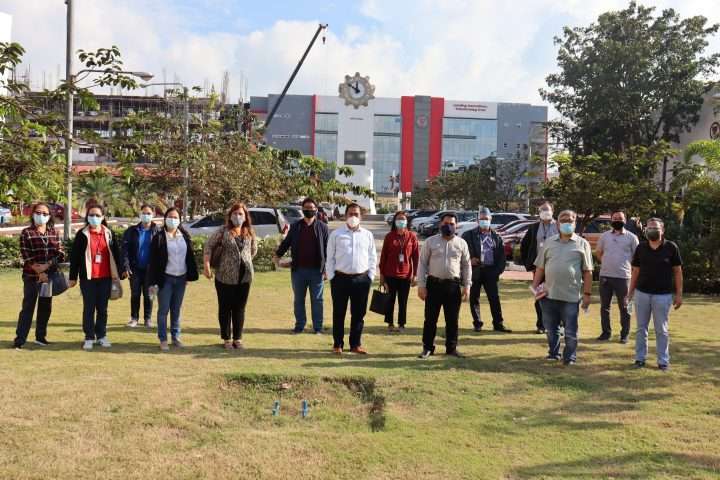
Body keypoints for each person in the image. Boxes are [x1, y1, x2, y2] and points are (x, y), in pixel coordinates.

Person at [531, 210, 593, 365]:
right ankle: (553, 353)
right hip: (548, 295)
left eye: (570, 220)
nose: (567, 222)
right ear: (557, 224)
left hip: (571, 297)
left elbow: (588, 271)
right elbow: (540, 268)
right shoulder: (549, 242)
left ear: (575, 223)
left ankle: (569, 357)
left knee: (571, 332)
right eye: (563, 220)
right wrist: (534, 288)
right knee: (551, 330)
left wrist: (587, 294)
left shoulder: (582, 244)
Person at [627, 218, 683, 371]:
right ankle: (640, 359)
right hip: (642, 293)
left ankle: (663, 361)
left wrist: (679, 294)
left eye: (655, 227)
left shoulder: (671, 247)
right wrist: (630, 292)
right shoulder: (641, 248)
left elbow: (677, 272)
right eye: (649, 227)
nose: (652, 229)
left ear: (662, 230)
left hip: (663, 296)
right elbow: (636, 271)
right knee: (641, 329)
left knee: (661, 330)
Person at [68, 204, 125, 350]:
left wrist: (121, 271)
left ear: (103, 217)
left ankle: (101, 335)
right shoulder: (82, 234)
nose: (94, 218)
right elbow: (74, 257)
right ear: (87, 217)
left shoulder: (109, 233)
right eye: (91, 215)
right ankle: (89, 337)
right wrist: (73, 277)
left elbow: (117, 254)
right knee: (89, 308)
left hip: (105, 278)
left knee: (102, 309)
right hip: (88, 278)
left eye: (97, 215)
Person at [417, 212, 472, 359]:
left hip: (453, 286)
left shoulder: (461, 244)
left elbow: (467, 266)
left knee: (452, 319)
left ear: (456, 226)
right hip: (433, 284)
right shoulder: (430, 242)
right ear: (440, 224)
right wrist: (421, 285)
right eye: (446, 223)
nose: (449, 226)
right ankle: (427, 348)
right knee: (430, 319)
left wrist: (467, 285)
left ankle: (451, 348)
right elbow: (422, 264)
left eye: (452, 224)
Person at [203, 203, 257, 349]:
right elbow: (208, 246)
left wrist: (244, 260)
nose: (237, 216)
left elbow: (253, 250)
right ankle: (227, 339)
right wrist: (207, 265)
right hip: (224, 277)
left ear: (245, 217)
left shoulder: (249, 231)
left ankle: (238, 338)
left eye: (240, 214)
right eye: (235, 214)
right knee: (225, 308)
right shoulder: (223, 231)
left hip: (244, 277)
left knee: (240, 308)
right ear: (230, 215)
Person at [13, 202, 66, 349]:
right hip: (31, 277)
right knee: (28, 307)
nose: (41, 216)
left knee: (45, 307)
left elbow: (61, 254)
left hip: (49, 277)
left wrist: (47, 266)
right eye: (38, 212)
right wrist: (39, 272)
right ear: (33, 213)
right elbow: (26, 255)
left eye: (44, 213)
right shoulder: (27, 232)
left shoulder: (54, 232)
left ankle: (40, 337)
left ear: (49, 216)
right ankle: (20, 339)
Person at [326, 203, 377, 354]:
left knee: (359, 314)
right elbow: (330, 258)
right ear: (345, 215)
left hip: (361, 280)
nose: (353, 217)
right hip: (340, 279)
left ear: (361, 216)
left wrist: (370, 276)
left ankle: (355, 344)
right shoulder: (336, 234)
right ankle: (338, 344)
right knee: (339, 313)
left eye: (356, 214)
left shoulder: (367, 235)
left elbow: (372, 257)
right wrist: (332, 277)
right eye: (350, 214)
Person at [273, 197, 329, 334]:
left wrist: (327, 269)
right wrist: (277, 256)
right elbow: (286, 243)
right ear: (302, 209)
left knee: (317, 300)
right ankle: (299, 326)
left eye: (311, 208)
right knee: (299, 300)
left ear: (316, 210)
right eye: (306, 208)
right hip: (298, 271)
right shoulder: (296, 226)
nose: (309, 210)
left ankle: (318, 328)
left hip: (317, 271)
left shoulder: (323, 227)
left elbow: (328, 249)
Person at [148, 207, 199, 351]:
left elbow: (189, 257)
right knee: (163, 310)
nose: (173, 220)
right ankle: (163, 339)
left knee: (176, 309)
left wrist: (189, 275)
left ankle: (176, 337)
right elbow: (153, 262)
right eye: (170, 217)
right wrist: (153, 282)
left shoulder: (184, 236)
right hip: (165, 279)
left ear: (180, 220)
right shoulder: (158, 237)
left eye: (175, 217)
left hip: (181, 278)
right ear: (165, 219)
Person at [462, 207, 510, 333]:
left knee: (494, 298)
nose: (484, 221)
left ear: (491, 219)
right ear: (478, 220)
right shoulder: (469, 235)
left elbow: (501, 258)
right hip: (475, 271)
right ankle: (477, 323)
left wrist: (497, 271)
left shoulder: (497, 237)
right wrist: (469, 260)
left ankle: (498, 324)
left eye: (486, 219)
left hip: (491, 271)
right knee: (474, 298)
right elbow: (462, 252)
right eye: (482, 219)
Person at [595, 211, 639, 343]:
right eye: (615, 218)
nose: (617, 220)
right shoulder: (604, 236)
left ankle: (624, 334)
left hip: (624, 277)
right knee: (604, 307)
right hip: (605, 276)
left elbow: (637, 258)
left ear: (625, 220)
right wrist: (607, 263)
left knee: (625, 307)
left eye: (620, 218)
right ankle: (605, 333)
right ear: (611, 220)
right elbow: (598, 252)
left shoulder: (632, 237)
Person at [378, 210, 419, 332]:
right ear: (395, 221)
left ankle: (402, 324)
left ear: (407, 221)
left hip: (405, 275)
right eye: (398, 219)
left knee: (403, 301)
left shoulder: (412, 236)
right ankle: (390, 323)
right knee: (390, 300)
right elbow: (383, 256)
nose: (401, 221)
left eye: (403, 219)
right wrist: (382, 275)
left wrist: (415, 274)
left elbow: (416, 257)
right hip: (390, 274)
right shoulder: (389, 236)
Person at [520, 202, 558, 334]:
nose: (545, 212)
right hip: (539, 269)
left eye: (547, 210)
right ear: (539, 212)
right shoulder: (534, 227)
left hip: (556, 268)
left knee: (557, 297)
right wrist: (529, 264)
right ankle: (541, 325)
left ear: (553, 211)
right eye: (542, 210)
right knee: (540, 296)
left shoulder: (559, 226)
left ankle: (557, 325)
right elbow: (524, 246)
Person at [122, 204, 161, 328]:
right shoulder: (131, 231)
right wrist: (126, 266)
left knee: (149, 294)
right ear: (140, 214)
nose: (146, 215)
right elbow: (125, 251)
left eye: (149, 213)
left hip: (151, 270)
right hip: (135, 269)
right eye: (144, 213)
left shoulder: (158, 231)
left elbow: (162, 252)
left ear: (153, 215)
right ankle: (134, 318)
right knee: (135, 294)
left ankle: (148, 319)